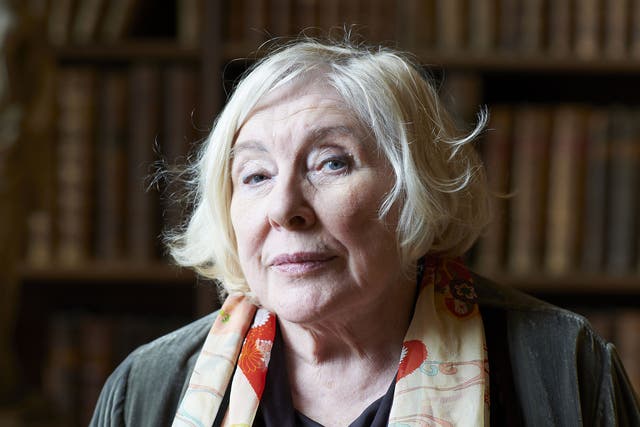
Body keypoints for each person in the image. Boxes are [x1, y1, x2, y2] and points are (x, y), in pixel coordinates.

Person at [90, 38, 640, 426]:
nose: (285, 208)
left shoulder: (563, 368)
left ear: (414, 188)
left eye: (331, 163)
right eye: (255, 175)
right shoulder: (146, 392)